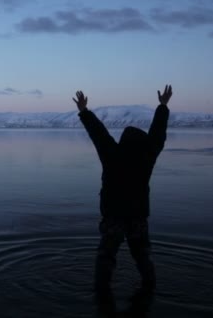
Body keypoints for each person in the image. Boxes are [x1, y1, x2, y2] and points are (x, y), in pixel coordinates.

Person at [73, 85, 172, 292]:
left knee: (106, 256)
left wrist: (84, 111)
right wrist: (162, 106)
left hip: (113, 215)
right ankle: (149, 288)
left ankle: (101, 293)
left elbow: (98, 133)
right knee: (142, 256)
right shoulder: (147, 158)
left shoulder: (112, 154)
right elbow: (157, 135)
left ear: (123, 142)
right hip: (137, 216)